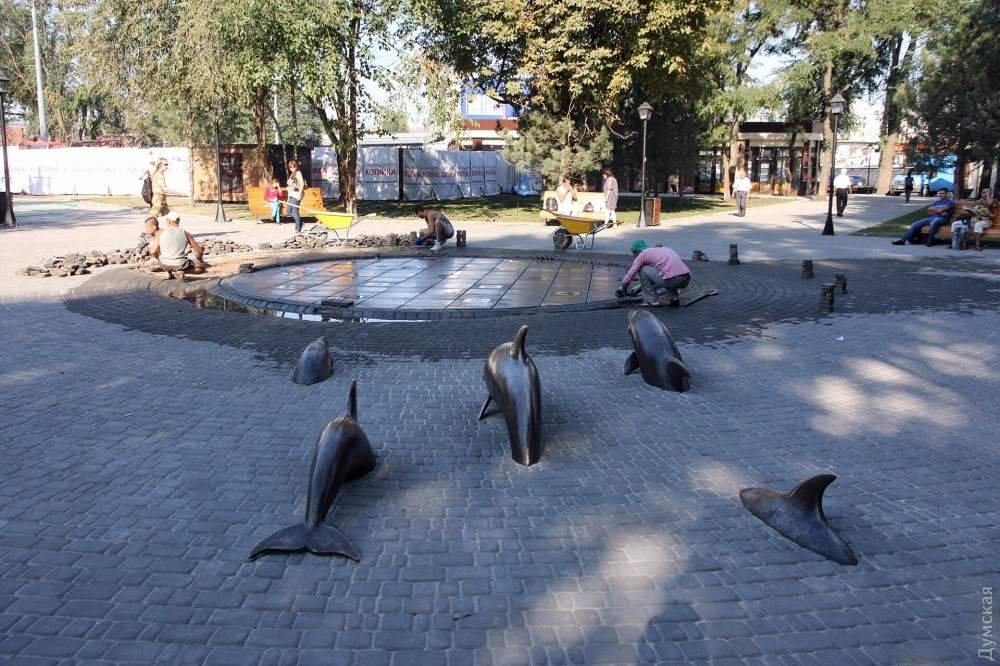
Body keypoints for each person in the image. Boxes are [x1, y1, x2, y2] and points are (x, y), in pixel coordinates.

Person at [620, 239, 691, 308]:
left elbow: (630, 275)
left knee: (643, 269)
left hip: (674, 280)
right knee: (666, 271)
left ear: (638, 251)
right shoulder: (663, 250)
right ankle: (673, 297)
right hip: (686, 279)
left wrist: (624, 287)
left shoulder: (642, 255)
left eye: (634, 253)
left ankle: (651, 300)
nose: (633, 256)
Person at [149, 211, 206, 279]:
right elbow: (200, 250)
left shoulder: (160, 232)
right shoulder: (186, 234)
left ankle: (168, 271)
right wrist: (199, 258)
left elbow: (153, 251)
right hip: (180, 264)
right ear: (178, 221)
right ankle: (182, 272)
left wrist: (159, 258)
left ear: (168, 221)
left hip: (163, 264)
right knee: (202, 267)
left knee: (163, 256)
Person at [959, 186, 996, 251]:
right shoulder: (977, 202)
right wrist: (968, 210)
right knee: (956, 223)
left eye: (987, 192)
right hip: (974, 219)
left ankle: (977, 245)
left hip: (986, 221)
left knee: (978, 225)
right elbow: (972, 211)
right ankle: (955, 243)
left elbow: (990, 204)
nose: (985, 194)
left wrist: (988, 195)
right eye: (983, 192)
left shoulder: (994, 201)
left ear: (990, 193)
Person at [286, 160, 306, 232]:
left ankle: (297, 228)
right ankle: (301, 222)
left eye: (294, 166)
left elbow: (302, 184)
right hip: (291, 194)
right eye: (290, 167)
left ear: (296, 166)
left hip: (296, 194)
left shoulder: (298, 173)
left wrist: (299, 194)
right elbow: (291, 185)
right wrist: (288, 191)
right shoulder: (292, 174)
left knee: (295, 211)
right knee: (288, 211)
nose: (292, 168)